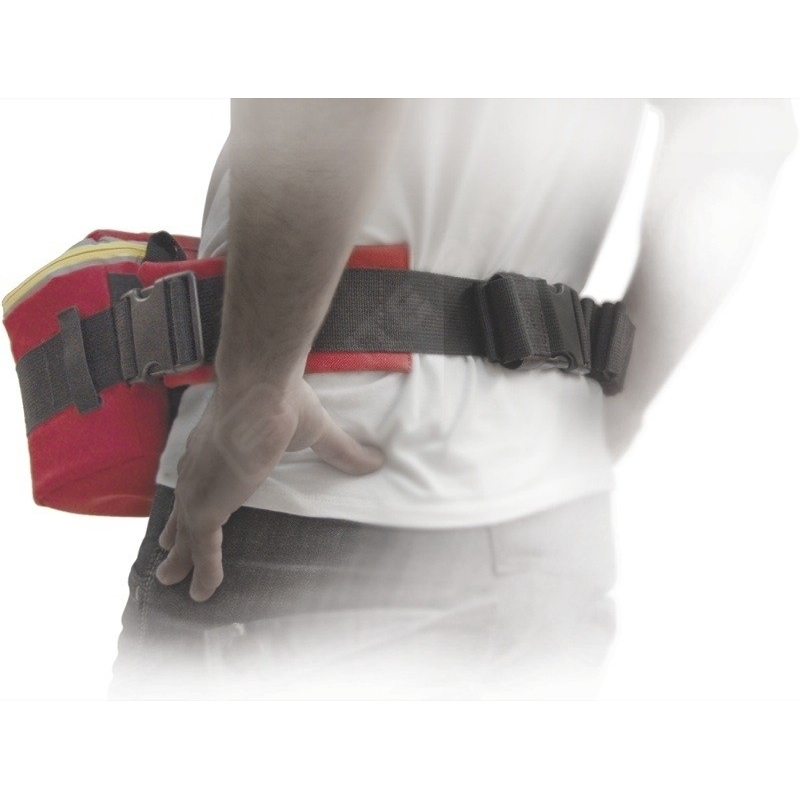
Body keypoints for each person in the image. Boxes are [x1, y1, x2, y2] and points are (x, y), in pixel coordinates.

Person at [109, 99, 797, 700]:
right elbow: (738, 137)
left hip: (314, 501)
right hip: (549, 538)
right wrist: (612, 408)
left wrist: (254, 398)